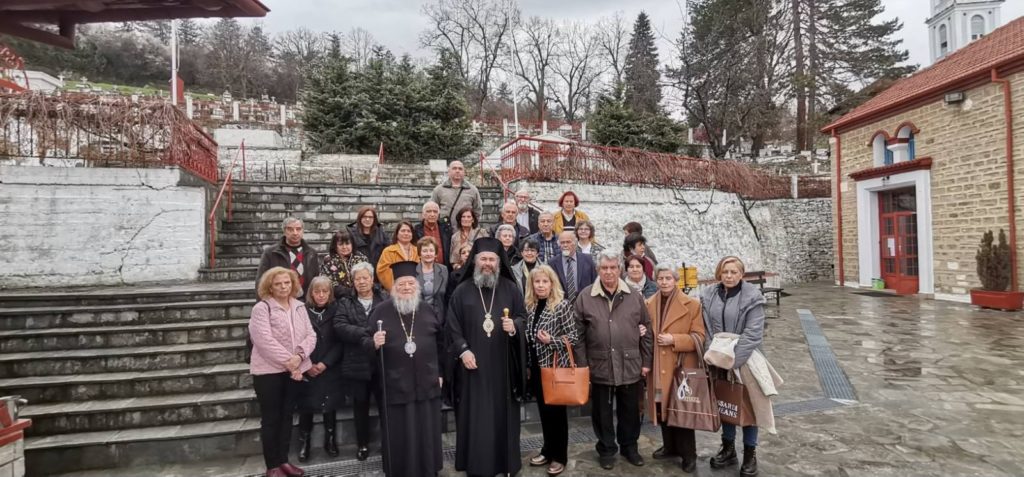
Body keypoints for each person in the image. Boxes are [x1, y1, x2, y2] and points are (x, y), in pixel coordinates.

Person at [447, 238, 528, 477]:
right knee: (476, 415)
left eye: (492, 259)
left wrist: (514, 326)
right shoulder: (461, 291)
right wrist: (463, 350)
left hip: (503, 366)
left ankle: (505, 463)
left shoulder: (511, 289)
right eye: (483, 258)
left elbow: (523, 317)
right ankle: (477, 464)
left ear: (499, 263)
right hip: (473, 367)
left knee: (503, 414)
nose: (488, 263)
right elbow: (451, 326)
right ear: (474, 261)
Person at [574, 249, 653, 470]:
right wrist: (583, 366)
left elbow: (647, 328)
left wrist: (646, 362)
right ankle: (606, 449)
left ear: (620, 269)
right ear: (597, 270)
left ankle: (630, 447)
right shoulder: (585, 296)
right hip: (599, 364)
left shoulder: (634, 296)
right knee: (602, 413)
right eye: (604, 268)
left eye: (613, 267)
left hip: (630, 363)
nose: (608, 272)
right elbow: (577, 336)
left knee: (630, 411)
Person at [366, 261, 445, 477]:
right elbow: (364, 341)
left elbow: (441, 344)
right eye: (401, 284)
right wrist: (373, 342)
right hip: (395, 383)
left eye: (410, 283)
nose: (407, 288)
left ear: (417, 285)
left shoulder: (427, 310)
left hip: (427, 381)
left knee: (426, 429)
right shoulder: (380, 311)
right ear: (394, 288)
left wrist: (440, 373)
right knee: (401, 431)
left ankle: (428, 469)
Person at [701, 256, 769, 477]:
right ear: (719, 273)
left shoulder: (752, 297)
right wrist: (714, 354)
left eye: (733, 272)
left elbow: (753, 333)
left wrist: (734, 360)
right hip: (718, 358)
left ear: (741, 274)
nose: (729, 276)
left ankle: (750, 453)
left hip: (745, 359)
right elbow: (707, 327)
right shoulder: (710, 295)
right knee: (726, 403)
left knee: (748, 407)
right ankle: (728, 448)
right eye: (725, 272)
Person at [250, 267, 316, 477]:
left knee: (287, 417)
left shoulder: (299, 306)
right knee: (271, 418)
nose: (283, 287)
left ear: (293, 284)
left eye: (287, 283)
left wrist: (299, 356)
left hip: (294, 370)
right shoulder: (262, 308)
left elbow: (311, 335)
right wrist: (291, 363)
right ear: (270, 286)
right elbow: (263, 340)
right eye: (277, 284)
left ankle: (283, 460)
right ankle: (272, 466)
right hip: (268, 373)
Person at [645, 264, 706, 473]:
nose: (664, 282)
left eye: (668, 278)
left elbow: (699, 337)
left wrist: (674, 339)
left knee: (682, 411)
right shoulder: (649, 303)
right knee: (662, 407)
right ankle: (670, 447)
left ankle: (689, 454)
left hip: (681, 368)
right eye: (660, 278)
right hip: (658, 368)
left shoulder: (692, 305)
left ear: (676, 280)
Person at [524, 264, 577, 476]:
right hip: (537, 368)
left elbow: (573, 338)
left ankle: (559, 457)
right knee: (544, 414)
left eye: (544, 281)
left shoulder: (561, 305)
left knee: (557, 415)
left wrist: (551, 340)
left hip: (555, 369)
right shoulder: (530, 306)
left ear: (552, 283)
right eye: (537, 281)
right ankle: (547, 451)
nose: (541, 285)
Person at [333, 262, 386, 461]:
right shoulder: (345, 302)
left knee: (385, 405)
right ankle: (362, 444)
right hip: (356, 362)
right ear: (352, 282)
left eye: (365, 277)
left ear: (372, 279)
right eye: (357, 279)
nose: (362, 282)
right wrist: (366, 334)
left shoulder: (384, 298)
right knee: (360, 406)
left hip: (381, 363)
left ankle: (387, 441)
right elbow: (340, 326)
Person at [296, 277, 343, 463]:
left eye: (325, 291)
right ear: (311, 293)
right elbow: (296, 339)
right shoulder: (302, 311)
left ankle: (330, 440)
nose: (321, 295)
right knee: (305, 404)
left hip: (329, 366)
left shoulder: (337, 309)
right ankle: (304, 442)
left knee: (329, 404)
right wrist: (307, 364)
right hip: (307, 364)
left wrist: (326, 363)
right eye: (317, 292)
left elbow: (340, 341)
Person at [256, 217, 321, 300]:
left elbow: (316, 280)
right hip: (279, 301)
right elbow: (261, 282)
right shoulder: (270, 253)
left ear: (303, 231)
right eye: (290, 229)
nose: (295, 233)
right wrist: (263, 303)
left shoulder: (312, 253)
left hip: (306, 302)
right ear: (284, 231)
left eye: (298, 229)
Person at [319, 229, 369, 299]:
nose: (344, 247)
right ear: (335, 246)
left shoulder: (361, 259)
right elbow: (326, 283)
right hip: (337, 299)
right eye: (340, 244)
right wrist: (349, 292)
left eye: (347, 244)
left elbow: (368, 279)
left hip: (360, 297)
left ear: (352, 244)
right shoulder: (328, 261)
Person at [549, 231, 596, 304]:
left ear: (575, 243)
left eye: (568, 242)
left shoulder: (587, 260)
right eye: (562, 243)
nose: (565, 245)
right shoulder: (552, 263)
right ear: (559, 245)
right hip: (561, 305)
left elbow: (595, 281)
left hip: (585, 302)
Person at [376, 221, 420, 292]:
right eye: (403, 231)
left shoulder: (418, 251)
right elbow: (383, 271)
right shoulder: (389, 251)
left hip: (414, 291)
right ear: (397, 234)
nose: (406, 233)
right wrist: (395, 289)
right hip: (395, 291)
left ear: (412, 234)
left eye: (409, 231)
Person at [348, 206, 390, 272]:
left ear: (374, 219)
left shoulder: (382, 234)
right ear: (360, 218)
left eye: (370, 217)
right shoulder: (351, 234)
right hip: (359, 273)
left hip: (378, 273)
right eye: (364, 217)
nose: (367, 219)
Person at [416, 237, 448, 320]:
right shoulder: (412, 271)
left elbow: (448, 296)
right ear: (419, 254)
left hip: (440, 317)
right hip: (419, 317)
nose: (428, 254)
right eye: (425, 251)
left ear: (436, 254)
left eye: (431, 250)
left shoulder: (444, 270)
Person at [414, 201, 453, 267]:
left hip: (444, 268)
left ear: (438, 214)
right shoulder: (416, 230)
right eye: (429, 211)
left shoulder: (446, 229)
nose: (432, 214)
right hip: (423, 268)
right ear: (423, 214)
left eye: (435, 212)